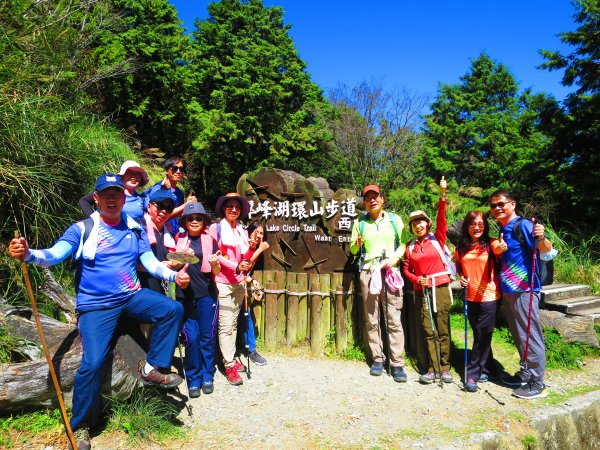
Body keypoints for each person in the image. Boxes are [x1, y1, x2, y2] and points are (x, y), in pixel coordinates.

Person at [8, 174, 189, 450]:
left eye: (117, 193)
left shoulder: (134, 227)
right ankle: (81, 425)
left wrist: (175, 277)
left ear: (124, 197)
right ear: (96, 198)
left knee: (172, 309)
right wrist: (28, 254)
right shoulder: (83, 229)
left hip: (131, 296)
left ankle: (151, 368)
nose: (113, 199)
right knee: (92, 363)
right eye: (106, 194)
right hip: (95, 306)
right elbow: (55, 254)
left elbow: (149, 262)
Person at [488, 189, 553, 399]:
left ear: (512, 204)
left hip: (526, 289)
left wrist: (542, 236)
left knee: (529, 335)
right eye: (493, 206)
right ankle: (526, 372)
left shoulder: (523, 225)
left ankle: (537, 382)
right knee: (519, 334)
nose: (497, 208)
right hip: (509, 290)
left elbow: (546, 249)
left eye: (501, 204)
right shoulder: (503, 229)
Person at [349, 184, 407, 382]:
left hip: (390, 272)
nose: (372, 200)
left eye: (375, 197)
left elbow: (404, 244)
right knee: (371, 318)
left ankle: (397, 363)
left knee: (393, 318)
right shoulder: (360, 223)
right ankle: (377, 359)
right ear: (364, 202)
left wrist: (395, 258)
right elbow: (354, 250)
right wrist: (356, 245)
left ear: (382, 199)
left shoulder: (394, 220)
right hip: (369, 271)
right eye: (367, 198)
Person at [403, 177, 454, 385]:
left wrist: (442, 196)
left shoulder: (437, 238)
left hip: (440, 287)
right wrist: (417, 280)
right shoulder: (410, 246)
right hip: (422, 290)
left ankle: (445, 367)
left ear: (427, 223)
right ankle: (432, 368)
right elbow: (407, 269)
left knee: (442, 328)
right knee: (428, 329)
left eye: (421, 221)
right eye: (414, 223)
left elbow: (442, 219)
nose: (418, 225)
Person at [174, 202, 221, 397]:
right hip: (184, 296)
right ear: (185, 221)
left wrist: (215, 264)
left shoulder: (211, 241)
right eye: (191, 218)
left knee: (206, 337)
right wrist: (183, 257)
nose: (194, 221)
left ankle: (207, 374)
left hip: (207, 294)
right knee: (190, 339)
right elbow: (171, 265)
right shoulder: (177, 239)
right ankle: (193, 377)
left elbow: (216, 271)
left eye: (198, 218)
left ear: (204, 221)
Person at [208, 192, 253, 385]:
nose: (233, 209)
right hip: (222, 282)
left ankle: (231, 355)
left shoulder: (241, 230)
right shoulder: (215, 228)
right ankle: (228, 365)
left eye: (237, 207)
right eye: (230, 206)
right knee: (226, 325)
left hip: (238, 282)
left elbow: (244, 256)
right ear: (223, 209)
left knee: (233, 323)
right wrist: (235, 266)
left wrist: (249, 255)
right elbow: (214, 255)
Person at [455, 211, 502, 392]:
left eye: (481, 224)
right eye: (473, 224)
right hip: (471, 295)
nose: (477, 227)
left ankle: (472, 374)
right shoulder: (462, 247)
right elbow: (459, 265)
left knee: (483, 333)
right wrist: (462, 277)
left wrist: (503, 246)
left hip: (490, 296)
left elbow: (500, 249)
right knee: (480, 335)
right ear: (467, 226)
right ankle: (490, 368)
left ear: (485, 226)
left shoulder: (491, 243)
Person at [237, 221, 269, 366]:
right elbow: (242, 264)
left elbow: (243, 271)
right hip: (227, 285)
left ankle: (251, 350)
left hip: (240, 284)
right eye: (256, 231)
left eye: (261, 233)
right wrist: (259, 249)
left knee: (246, 316)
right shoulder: (242, 243)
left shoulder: (255, 246)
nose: (258, 235)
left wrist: (250, 280)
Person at [79, 160, 149, 224]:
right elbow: (84, 201)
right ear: (122, 176)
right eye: (130, 173)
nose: (133, 177)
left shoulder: (142, 199)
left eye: (137, 174)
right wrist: (93, 220)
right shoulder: (106, 193)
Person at [138, 189, 177, 292]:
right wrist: (160, 266)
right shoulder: (139, 229)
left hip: (164, 288)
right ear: (149, 207)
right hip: (144, 288)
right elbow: (130, 263)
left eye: (169, 208)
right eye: (160, 206)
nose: (164, 211)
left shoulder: (169, 233)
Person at [144, 157, 196, 229]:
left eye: (181, 169)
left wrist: (191, 205)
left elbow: (180, 214)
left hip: (175, 232)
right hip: (161, 232)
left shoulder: (179, 193)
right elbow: (158, 215)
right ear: (166, 171)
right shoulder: (159, 189)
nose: (178, 171)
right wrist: (186, 204)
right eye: (174, 168)